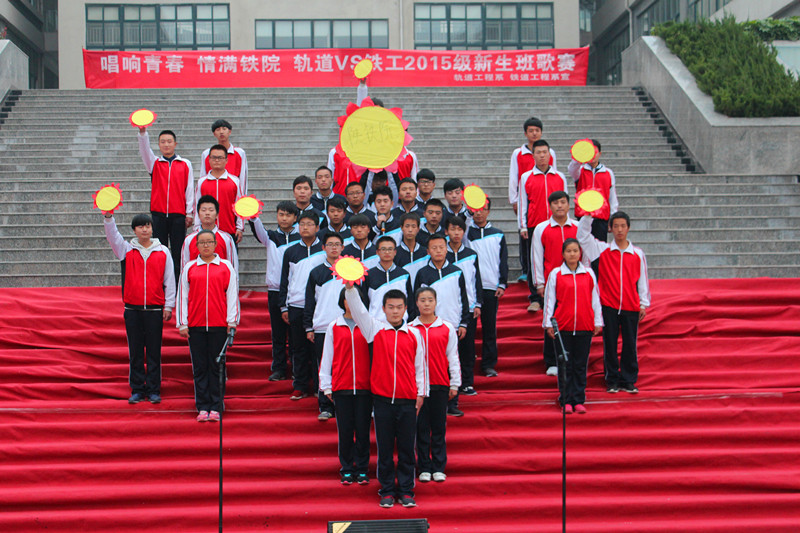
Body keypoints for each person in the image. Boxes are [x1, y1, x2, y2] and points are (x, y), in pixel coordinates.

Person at [344, 285, 426, 509]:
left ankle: (406, 490)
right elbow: (359, 310)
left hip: (408, 401)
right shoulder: (375, 330)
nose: (395, 311)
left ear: (406, 309)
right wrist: (350, 289)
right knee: (385, 449)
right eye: (391, 307)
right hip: (382, 401)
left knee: (407, 449)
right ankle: (387, 490)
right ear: (383, 309)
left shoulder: (414, 334)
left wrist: (421, 393)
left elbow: (421, 366)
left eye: (399, 307)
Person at [103, 212, 175, 404]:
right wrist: (108, 218)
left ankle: (153, 389)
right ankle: (137, 389)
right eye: (140, 226)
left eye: (148, 226)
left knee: (153, 352)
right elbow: (112, 236)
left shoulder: (163, 251)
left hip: (154, 310)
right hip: (132, 310)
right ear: (134, 230)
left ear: (152, 228)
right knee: (135, 352)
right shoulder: (126, 249)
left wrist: (169, 305)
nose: (145, 229)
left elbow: (170, 279)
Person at [577, 212, 650, 394]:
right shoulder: (602, 250)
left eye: (623, 226)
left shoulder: (638, 254)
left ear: (628, 228)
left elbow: (642, 279)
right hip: (608, 305)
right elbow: (582, 237)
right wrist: (588, 215)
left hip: (631, 305)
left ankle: (629, 379)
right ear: (610, 228)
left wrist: (643, 303)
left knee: (630, 344)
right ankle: (612, 380)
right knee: (609, 343)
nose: (619, 230)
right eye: (615, 226)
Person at [177, 229, 239, 422]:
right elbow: (183, 296)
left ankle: (217, 406)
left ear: (215, 244)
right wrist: (182, 323)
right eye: (202, 242)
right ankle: (203, 406)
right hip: (195, 326)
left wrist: (232, 321)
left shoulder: (226, 267)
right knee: (200, 367)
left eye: (209, 242)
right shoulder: (189, 268)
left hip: (219, 325)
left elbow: (232, 295)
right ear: (196, 246)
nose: (206, 245)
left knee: (217, 366)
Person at [543, 239, 602, 414]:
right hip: (563, 327)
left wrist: (598, 321)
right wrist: (548, 323)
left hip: (584, 325)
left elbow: (595, 298)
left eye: (575, 250)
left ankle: (579, 399)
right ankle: (566, 399)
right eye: (568, 251)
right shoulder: (556, 274)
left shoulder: (589, 273)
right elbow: (549, 300)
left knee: (580, 364)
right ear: (563, 254)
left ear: (580, 253)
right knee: (565, 365)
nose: (572, 254)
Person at [319, 289, 372, 485]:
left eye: (355, 298)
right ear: (343, 301)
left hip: (365, 387)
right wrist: (326, 386)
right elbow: (327, 357)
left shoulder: (368, 325)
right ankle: (347, 468)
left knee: (363, 430)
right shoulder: (334, 326)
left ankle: (363, 469)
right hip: (342, 387)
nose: (351, 302)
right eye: (348, 298)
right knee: (346, 431)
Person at [414, 234, 469, 417]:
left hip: (452, 325)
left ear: (447, 249)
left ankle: (452, 402)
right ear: (428, 251)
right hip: (427, 326)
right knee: (427, 364)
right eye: (434, 248)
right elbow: (417, 299)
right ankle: (427, 400)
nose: (438, 251)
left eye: (441, 247)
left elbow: (463, 298)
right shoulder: (422, 273)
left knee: (451, 361)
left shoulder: (456, 271)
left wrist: (463, 322)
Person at [410, 286, 460, 484]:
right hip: (418, 388)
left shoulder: (446, 328)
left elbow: (453, 357)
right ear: (416, 303)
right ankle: (424, 467)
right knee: (421, 428)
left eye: (430, 300)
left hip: (440, 384)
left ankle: (438, 466)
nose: (426, 304)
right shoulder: (410, 328)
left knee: (438, 428)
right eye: (422, 300)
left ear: (436, 302)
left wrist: (454, 383)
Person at [249, 201, 301, 381]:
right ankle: (279, 368)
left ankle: (296, 368)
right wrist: (253, 216)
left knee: (295, 333)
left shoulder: (301, 238)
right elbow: (258, 230)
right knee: (278, 332)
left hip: (295, 291)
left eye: (288, 215)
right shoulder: (270, 237)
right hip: (275, 291)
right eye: (281, 214)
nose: (284, 218)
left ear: (295, 217)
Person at [532, 191, 581, 376]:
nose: (559, 206)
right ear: (550, 206)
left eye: (562, 202)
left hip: (575, 282)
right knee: (551, 320)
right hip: (551, 283)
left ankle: (574, 358)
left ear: (569, 205)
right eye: (555, 203)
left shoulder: (578, 227)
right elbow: (536, 256)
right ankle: (552, 360)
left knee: (573, 319)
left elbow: (585, 254)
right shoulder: (541, 228)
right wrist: (539, 283)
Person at [137, 125, 193, 283]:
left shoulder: (185, 164)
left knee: (178, 252)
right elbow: (144, 150)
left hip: (178, 215)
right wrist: (143, 133)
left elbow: (189, 188)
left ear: (175, 144)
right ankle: (160, 284)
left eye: (169, 141)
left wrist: (189, 213)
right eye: (163, 142)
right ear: (159, 144)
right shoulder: (154, 163)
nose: (166, 144)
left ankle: (178, 284)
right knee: (159, 251)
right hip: (158, 214)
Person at [279, 211, 325, 400]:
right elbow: (285, 280)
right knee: (298, 348)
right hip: (296, 305)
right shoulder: (291, 251)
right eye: (302, 224)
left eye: (309, 224)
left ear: (317, 227)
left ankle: (319, 386)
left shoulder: (324, 250)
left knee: (318, 349)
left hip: (319, 305)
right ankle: (300, 385)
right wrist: (284, 306)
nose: (305, 227)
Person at [518, 139, 568, 313]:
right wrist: (523, 226)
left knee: (558, 257)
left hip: (557, 224)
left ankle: (561, 294)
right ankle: (535, 298)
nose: (542, 156)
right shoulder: (526, 177)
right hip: (535, 224)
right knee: (535, 260)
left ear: (550, 154)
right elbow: (523, 202)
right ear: (533, 156)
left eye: (545, 152)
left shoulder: (560, 177)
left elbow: (565, 200)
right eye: (538, 152)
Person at [509, 117, 557, 284]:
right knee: (526, 236)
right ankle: (526, 270)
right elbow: (513, 176)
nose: (534, 133)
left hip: (544, 196)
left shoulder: (550, 152)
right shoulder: (518, 153)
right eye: (531, 131)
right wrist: (514, 200)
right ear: (525, 133)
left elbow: (554, 175)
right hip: (526, 196)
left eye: (537, 130)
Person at [305, 232, 346, 421]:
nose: (334, 248)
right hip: (322, 327)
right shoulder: (316, 273)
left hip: (347, 326)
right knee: (324, 366)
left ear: (343, 247)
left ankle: (343, 405)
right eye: (330, 244)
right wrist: (309, 327)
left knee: (345, 366)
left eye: (337, 244)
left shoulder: (351, 271)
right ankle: (325, 405)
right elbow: (309, 301)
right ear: (323, 248)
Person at [466, 198, 508, 378]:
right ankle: (467, 363)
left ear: (489, 211)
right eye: (475, 209)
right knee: (469, 329)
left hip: (491, 287)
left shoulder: (497, 234)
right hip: (471, 288)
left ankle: (489, 364)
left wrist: (502, 283)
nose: (479, 212)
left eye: (483, 209)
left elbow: (503, 260)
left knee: (489, 327)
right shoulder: (466, 234)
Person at [445, 216, 482, 398]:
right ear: (446, 231)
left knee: (467, 347)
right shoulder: (441, 254)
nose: (456, 233)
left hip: (469, 307)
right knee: (448, 349)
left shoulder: (471, 254)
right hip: (448, 307)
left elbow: (477, 280)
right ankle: (448, 382)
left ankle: (466, 382)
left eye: (460, 229)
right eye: (453, 229)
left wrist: (478, 304)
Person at [567, 139, 619, 244]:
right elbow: (571, 169)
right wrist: (579, 155)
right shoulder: (580, 171)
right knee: (583, 246)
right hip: (583, 216)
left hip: (601, 217)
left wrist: (613, 217)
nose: (592, 155)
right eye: (589, 151)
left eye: (594, 151)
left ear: (600, 153)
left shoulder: (608, 173)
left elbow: (612, 197)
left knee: (599, 248)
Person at [194, 144, 243, 244]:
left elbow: (240, 205)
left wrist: (239, 227)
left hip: (229, 229)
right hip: (206, 232)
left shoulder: (235, 181)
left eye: (220, 158)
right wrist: (196, 227)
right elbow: (197, 205)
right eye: (214, 158)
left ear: (226, 160)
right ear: (209, 160)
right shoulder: (202, 182)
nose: (217, 160)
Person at [181, 195, 238, 275]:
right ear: (198, 214)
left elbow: (233, 268)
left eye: (211, 210)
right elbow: (184, 268)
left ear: (217, 214)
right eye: (203, 210)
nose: (207, 213)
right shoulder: (189, 239)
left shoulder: (227, 239)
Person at [362, 236, 413, 322]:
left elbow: (410, 302)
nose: (387, 252)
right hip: (376, 323)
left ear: (395, 252)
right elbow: (365, 302)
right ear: (377, 252)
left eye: (390, 249)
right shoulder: (369, 275)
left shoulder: (404, 275)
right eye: (383, 249)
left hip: (400, 324)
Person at [200, 119, 248, 196]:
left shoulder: (239, 153)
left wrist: (242, 197)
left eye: (224, 129)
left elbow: (243, 178)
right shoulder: (206, 154)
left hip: (232, 192)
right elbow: (203, 175)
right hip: (212, 191)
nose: (221, 132)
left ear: (229, 132)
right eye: (218, 130)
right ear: (214, 134)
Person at [394, 212, 429, 287]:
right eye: (407, 226)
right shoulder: (395, 253)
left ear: (418, 229)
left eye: (413, 226)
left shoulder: (425, 253)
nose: (410, 230)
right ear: (401, 228)